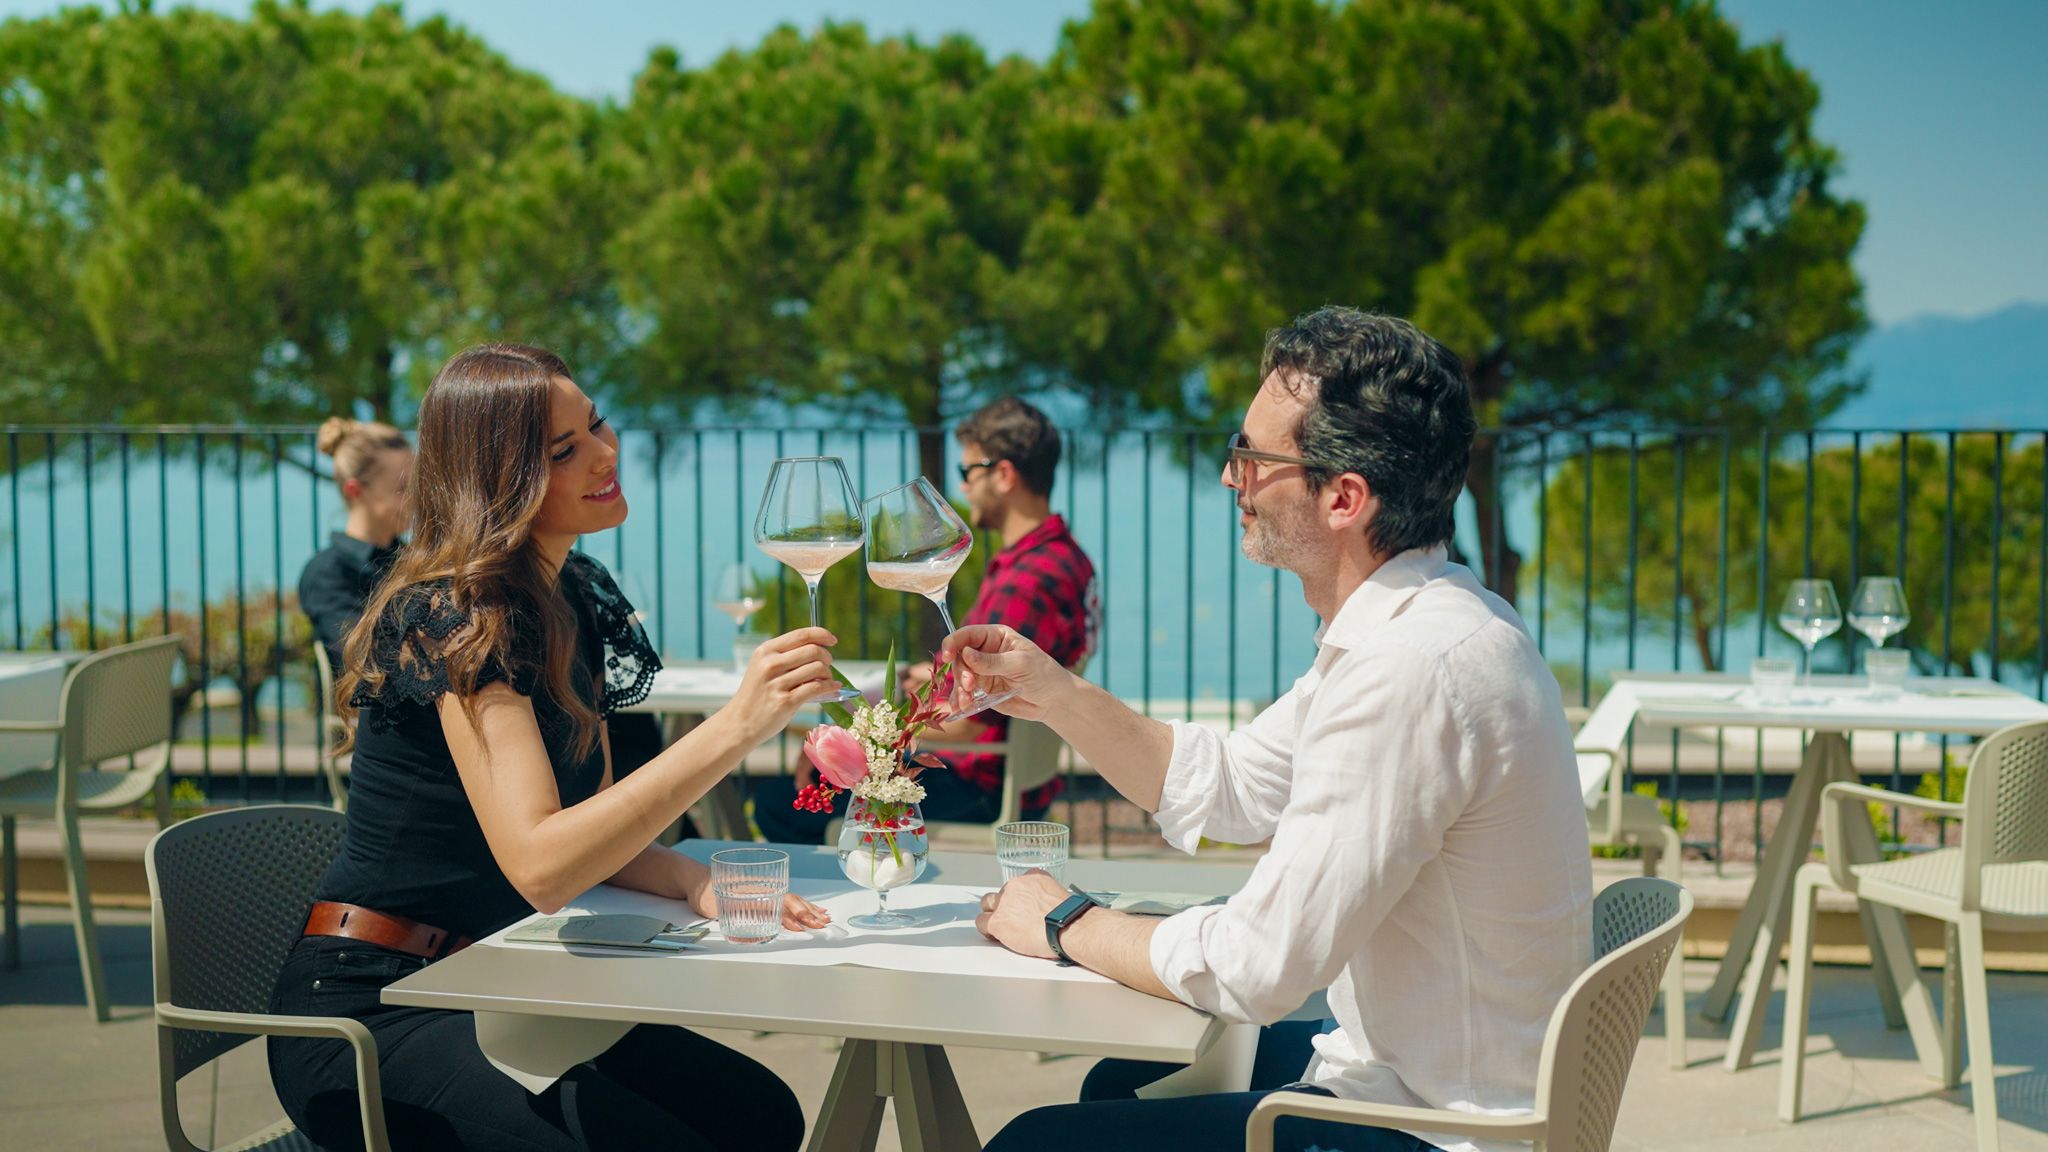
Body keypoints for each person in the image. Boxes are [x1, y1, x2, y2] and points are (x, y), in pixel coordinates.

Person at [947, 309, 1593, 1152]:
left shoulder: (1410, 670)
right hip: (1427, 1075)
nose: (1229, 478)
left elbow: (1257, 968)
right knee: (1121, 1080)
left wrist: (1067, 920)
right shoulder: (1427, 622)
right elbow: (1229, 786)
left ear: (1343, 498)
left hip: (1438, 1128)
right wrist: (1057, 692)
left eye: (1251, 456)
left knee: (1035, 1144)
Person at [268, 344, 837, 1152]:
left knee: (758, 1115)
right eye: (564, 451)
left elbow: (593, 829)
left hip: (504, 982)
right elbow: (543, 868)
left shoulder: (572, 592)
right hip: (378, 1007)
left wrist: (694, 881)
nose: (605, 454)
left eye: (596, 424)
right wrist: (736, 727)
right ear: (500, 481)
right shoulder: (453, 616)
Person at [752, 396, 1096, 843]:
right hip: (1017, 778)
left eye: (967, 472)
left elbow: (973, 714)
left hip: (978, 784)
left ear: (1004, 474)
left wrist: (853, 744)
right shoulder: (1064, 559)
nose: (965, 488)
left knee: (779, 803)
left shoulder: (1029, 579)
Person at [300, 417, 412, 670]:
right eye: (402, 488)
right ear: (355, 490)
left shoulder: (412, 558)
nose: (416, 499)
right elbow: (363, 659)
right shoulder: (327, 573)